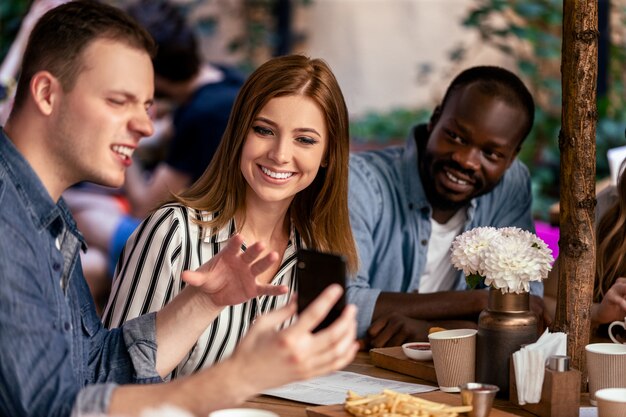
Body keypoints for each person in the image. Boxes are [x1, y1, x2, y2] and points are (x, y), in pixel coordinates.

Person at [0, 2, 358, 416]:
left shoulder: (47, 217)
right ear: (46, 93)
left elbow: (96, 371)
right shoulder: (9, 222)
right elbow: (49, 409)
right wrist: (237, 378)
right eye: (120, 101)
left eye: (148, 107)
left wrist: (203, 303)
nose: (146, 127)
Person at [103, 53, 360, 376]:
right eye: (264, 130)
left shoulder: (317, 252)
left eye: (305, 140)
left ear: (327, 156)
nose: (280, 155)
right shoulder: (173, 232)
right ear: (239, 134)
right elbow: (111, 378)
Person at [63, 0, 245, 310]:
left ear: (151, 73)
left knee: (80, 211)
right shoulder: (227, 82)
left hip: (194, 251)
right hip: (217, 236)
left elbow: (143, 205)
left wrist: (125, 140)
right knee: (90, 259)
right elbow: (170, 136)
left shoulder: (201, 115)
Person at [347, 65, 546, 347]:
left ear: (512, 157)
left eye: (490, 153)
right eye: (456, 137)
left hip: (449, 377)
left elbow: (526, 311)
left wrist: (432, 330)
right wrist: (481, 301)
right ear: (435, 119)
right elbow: (339, 304)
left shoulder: (510, 185)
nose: (466, 160)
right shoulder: (361, 182)